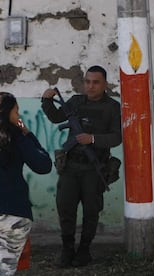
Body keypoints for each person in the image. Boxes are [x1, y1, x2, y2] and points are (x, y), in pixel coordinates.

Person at [41, 65, 122, 268]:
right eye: (87, 81)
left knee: (91, 211)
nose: (91, 86)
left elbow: (117, 137)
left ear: (105, 84)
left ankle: (84, 250)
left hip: (94, 169)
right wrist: (46, 100)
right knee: (65, 208)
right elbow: (57, 118)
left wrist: (92, 139)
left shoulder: (112, 107)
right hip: (70, 166)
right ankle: (67, 249)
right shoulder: (76, 102)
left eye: (96, 82)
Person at [0, 92, 53, 275]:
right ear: (7, 113)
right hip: (11, 214)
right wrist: (28, 134)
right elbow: (44, 165)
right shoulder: (17, 136)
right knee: (3, 271)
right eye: (16, 111)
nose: (19, 116)